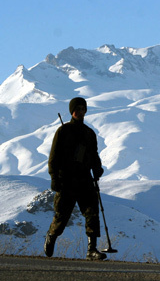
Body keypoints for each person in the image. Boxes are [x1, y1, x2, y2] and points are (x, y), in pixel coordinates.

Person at [44, 97, 106, 260]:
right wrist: (54, 177)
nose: (80, 112)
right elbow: (53, 156)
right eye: (77, 109)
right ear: (72, 111)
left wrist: (97, 168)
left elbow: (94, 155)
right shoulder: (63, 131)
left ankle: (91, 250)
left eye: (83, 109)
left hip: (85, 179)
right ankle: (51, 236)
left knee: (92, 212)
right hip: (66, 180)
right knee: (61, 216)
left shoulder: (89, 134)